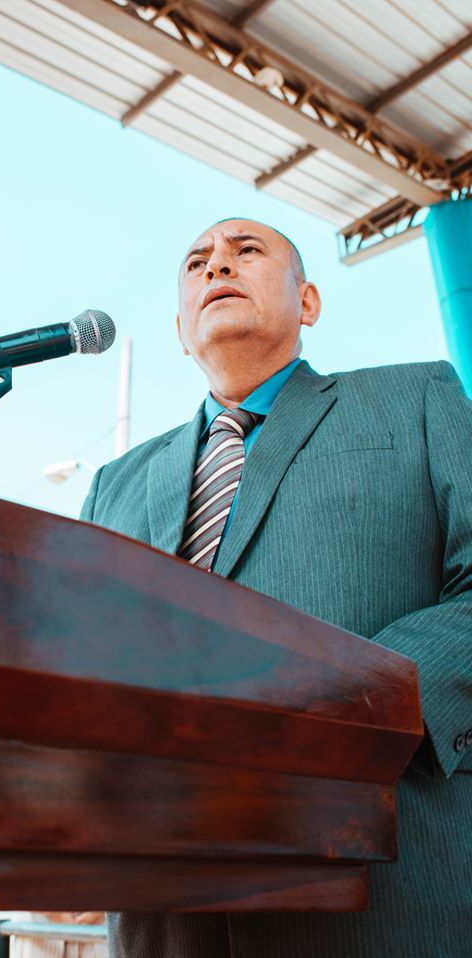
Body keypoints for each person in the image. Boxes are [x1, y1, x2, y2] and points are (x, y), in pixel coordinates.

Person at [80, 218, 472, 957]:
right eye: (197, 262)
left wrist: (356, 701)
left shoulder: (416, 398)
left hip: (385, 890)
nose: (216, 266)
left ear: (308, 301)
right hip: (163, 904)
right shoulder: (114, 484)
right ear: (181, 330)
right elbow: (77, 658)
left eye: (246, 251)